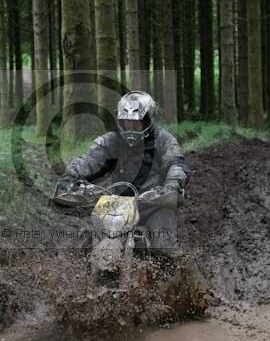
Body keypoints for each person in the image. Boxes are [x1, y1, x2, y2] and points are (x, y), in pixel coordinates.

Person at [54, 91, 190, 249]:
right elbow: (89, 161)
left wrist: (172, 184)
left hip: (154, 204)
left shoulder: (164, 140)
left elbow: (176, 163)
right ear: (119, 120)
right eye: (126, 122)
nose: (131, 126)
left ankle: (174, 272)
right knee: (80, 241)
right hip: (116, 206)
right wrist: (70, 178)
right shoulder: (110, 141)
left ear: (148, 120)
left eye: (137, 122)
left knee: (164, 246)